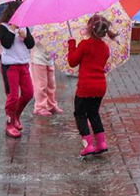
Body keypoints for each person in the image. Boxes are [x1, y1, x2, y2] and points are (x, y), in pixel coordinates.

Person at [68, 14, 116, 156]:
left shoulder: (84, 45)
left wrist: (71, 45)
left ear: (89, 29)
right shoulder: (105, 48)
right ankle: (101, 143)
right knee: (94, 113)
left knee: (80, 114)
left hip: (85, 87)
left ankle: (88, 144)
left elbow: (72, 62)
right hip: (100, 86)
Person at [0, 0, 35, 138]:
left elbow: (31, 44)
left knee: (29, 93)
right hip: (10, 66)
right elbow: (6, 44)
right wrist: (12, 29)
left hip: (24, 65)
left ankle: (16, 116)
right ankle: (9, 123)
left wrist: (25, 37)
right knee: (12, 96)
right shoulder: (3, 28)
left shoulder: (25, 27)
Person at [30, 37, 62, 116]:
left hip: (49, 59)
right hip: (38, 59)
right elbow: (30, 41)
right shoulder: (35, 28)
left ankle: (51, 105)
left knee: (51, 84)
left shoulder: (51, 28)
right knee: (41, 85)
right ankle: (40, 107)